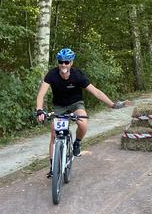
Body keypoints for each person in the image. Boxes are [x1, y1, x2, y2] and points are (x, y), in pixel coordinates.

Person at [35, 47, 130, 177]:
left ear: (71, 63)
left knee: (83, 123)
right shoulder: (52, 74)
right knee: (53, 133)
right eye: (61, 61)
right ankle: (53, 167)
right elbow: (41, 95)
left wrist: (112, 104)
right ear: (58, 62)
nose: (63, 64)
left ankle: (77, 143)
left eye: (67, 62)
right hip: (59, 106)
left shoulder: (77, 75)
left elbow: (96, 92)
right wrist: (39, 110)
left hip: (76, 104)